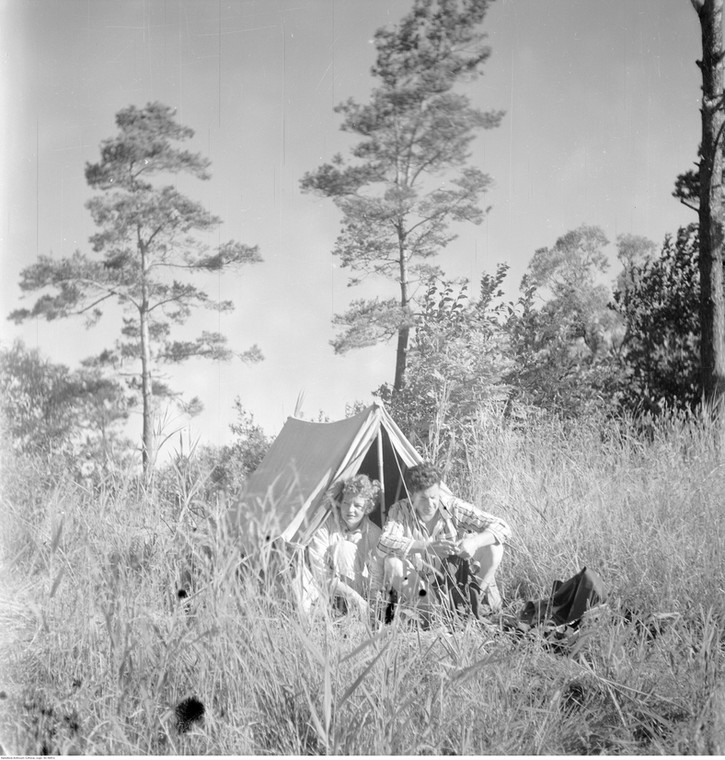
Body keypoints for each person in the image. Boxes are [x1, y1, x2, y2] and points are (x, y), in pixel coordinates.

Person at [377, 461, 511, 621]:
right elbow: (383, 542)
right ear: (411, 494)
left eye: (433, 497)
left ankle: (469, 607)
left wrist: (474, 542)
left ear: (439, 490)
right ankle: (432, 616)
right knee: (392, 563)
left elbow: (503, 527)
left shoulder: (452, 506)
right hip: (423, 591)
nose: (430, 504)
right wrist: (425, 547)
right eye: (423, 498)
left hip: (456, 586)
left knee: (494, 547)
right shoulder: (400, 510)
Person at [307, 474, 383, 615]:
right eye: (346, 503)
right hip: (327, 588)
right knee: (343, 548)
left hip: (360, 592)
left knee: (345, 548)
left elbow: (376, 577)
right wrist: (355, 599)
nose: (350, 510)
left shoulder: (373, 533)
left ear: (367, 508)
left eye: (358, 506)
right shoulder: (325, 525)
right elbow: (319, 570)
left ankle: (349, 612)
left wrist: (371, 604)